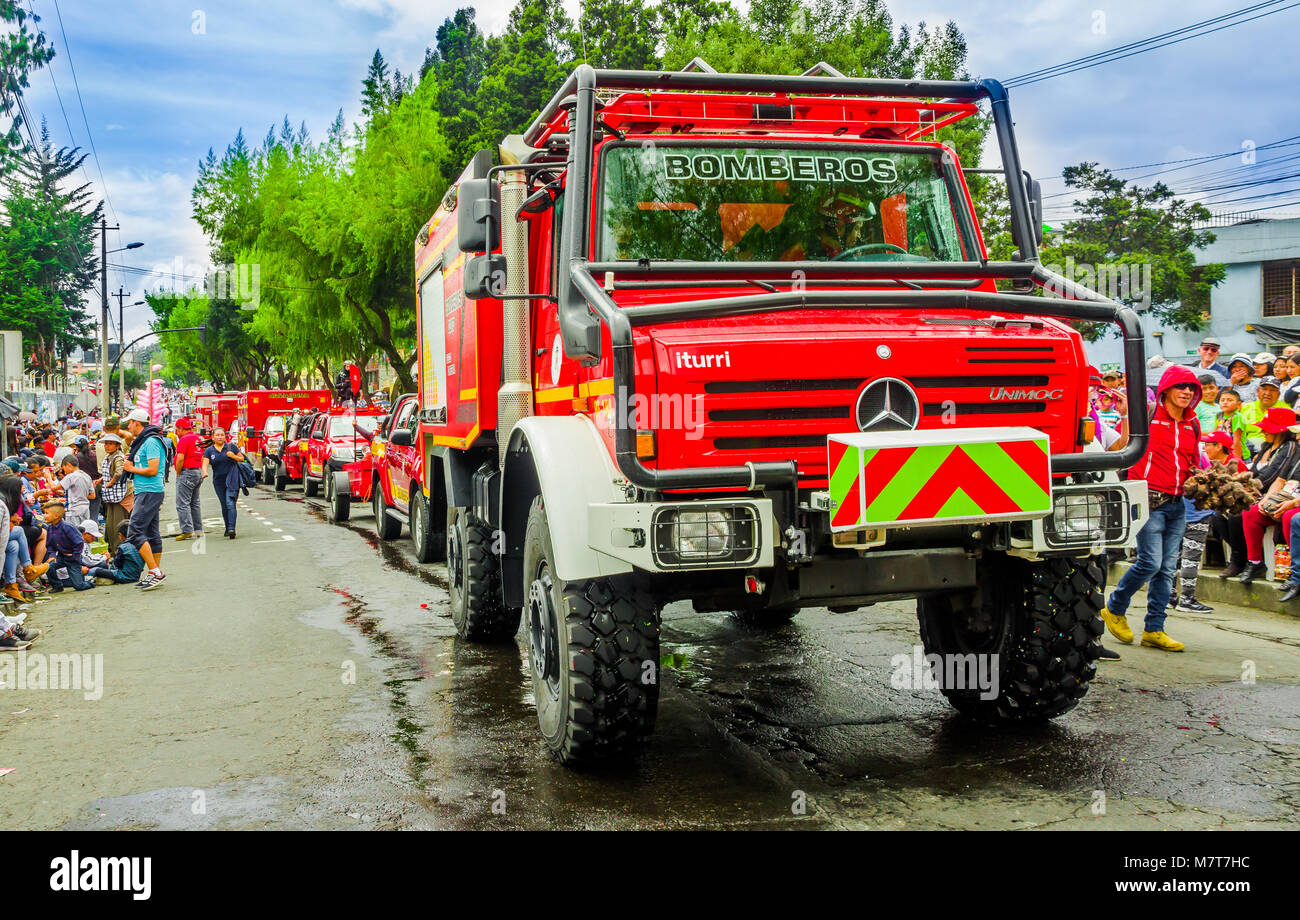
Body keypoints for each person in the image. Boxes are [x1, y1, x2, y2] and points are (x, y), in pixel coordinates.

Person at [1101, 365, 1201, 653]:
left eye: (1191, 388)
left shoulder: (1192, 424)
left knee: (1167, 570)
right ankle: (1115, 607)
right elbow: (1120, 449)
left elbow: (1194, 463)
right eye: (1181, 386)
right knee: (1151, 563)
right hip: (1148, 501)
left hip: (1177, 505)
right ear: (1166, 390)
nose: (1186, 392)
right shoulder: (1148, 414)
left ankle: (1154, 630)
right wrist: (1125, 417)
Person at [1213, 410, 1300, 579]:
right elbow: (1278, 480)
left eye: (1267, 428)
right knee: (1220, 514)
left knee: (1289, 517)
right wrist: (1262, 499)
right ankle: (1250, 560)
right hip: (1270, 493)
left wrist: (1259, 494)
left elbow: (1271, 477)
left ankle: (1293, 574)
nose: (1263, 431)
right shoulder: (1267, 446)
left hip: (1276, 494)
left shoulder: (1289, 447)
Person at [1172, 431, 1244, 615]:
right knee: (1190, 558)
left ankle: (1169, 596)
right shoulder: (1201, 459)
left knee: (1174, 556)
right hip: (1196, 514)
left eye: (1208, 443)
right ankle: (1186, 599)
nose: (1204, 447)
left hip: (1180, 511)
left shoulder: (1176, 457)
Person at [122, 407, 168, 590]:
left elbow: (153, 470)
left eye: (130, 423)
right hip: (146, 491)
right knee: (151, 533)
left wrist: (130, 469)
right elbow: (145, 464)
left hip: (150, 491)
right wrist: (132, 461)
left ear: (136, 423)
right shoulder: (143, 442)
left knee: (134, 531)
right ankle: (153, 572)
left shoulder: (151, 442)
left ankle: (156, 571)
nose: (128, 426)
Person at [43, 501, 95, 592]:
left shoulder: (67, 527)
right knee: (49, 567)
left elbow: (79, 542)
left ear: (56, 516)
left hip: (73, 558)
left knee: (78, 586)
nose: (44, 515)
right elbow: (50, 545)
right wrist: (52, 555)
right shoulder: (50, 528)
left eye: (47, 513)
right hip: (61, 556)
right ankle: (57, 585)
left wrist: (75, 555)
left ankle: (90, 582)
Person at [203, 428, 245, 538]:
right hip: (218, 482)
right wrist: (204, 472)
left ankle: (232, 529)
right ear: (213, 437)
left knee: (230, 503)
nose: (220, 437)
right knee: (224, 505)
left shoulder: (231, 447)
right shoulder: (209, 451)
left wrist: (233, 456)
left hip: (232, 480)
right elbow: (205, 464)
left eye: (222, 435)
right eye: (217, 435)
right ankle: (227, 527)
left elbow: (242, 459)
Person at [173, 418, 206, 541]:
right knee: (194, 502)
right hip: (197, 471)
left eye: (177, 429)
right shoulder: (197, 438)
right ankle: (198, 529)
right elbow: (202, 456)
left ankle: (187, 530)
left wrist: (178, 473)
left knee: (182, 503)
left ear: (181, 429)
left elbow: (180, 458)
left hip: (187, 472)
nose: (176, 432)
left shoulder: (184, 439)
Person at [1238, 376, 1283, 456]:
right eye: (1264, 389)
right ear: (1257, 392)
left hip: (1270, 448)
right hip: (1247, 448)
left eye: (1272, 390)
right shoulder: (1246, 407)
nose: (1267, 393)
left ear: (1278, 394)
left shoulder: (1283, 410)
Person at [53, 455, 94, 527]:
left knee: (73, 533)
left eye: (64, 468)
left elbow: (53, 488)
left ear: (68, 465)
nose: (65, 472)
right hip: (85, 509)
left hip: (74, 510)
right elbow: (92, 495)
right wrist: (80, 494)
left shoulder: (71, 476)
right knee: (84, 532)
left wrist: (48, 477)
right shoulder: (87, 476)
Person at [1215, 387, 1248, 459]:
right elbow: (1216, 434)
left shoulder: (1237, 417)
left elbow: (1237, 441)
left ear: (1238, 404)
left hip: (1238, 455)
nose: (1225, 402)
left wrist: (1237, 461)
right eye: (1222, 400)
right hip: (1225, 454)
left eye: (1230, 400)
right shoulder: (1218, 415)